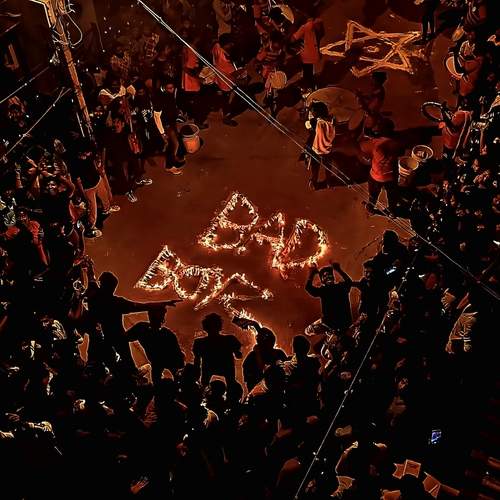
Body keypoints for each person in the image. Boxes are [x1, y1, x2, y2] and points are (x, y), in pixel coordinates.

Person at [86, 270, 179, 375]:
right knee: (126, 361)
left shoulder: (94, 297)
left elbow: (91, 280)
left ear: (101, 283)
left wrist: (89, 269)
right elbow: (140, 306)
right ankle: (132, 373)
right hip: (117, 337)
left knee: (99, 360)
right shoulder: (116, 303)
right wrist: (162, 303)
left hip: (100, 337)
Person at [70, 138, 119, 238]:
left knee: (105, 198)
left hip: (97, 181)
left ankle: (107, 209)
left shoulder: (90, 155)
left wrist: (99, 172)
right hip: (88, 188)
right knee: (93, 210)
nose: (89, 153)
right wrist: (83, 194)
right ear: (82, 151)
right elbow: (78, 181)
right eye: (88, 152)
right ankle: (90, 228)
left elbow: (95, 162)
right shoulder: (75, 163)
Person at [126, 306, 184, 384]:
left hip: (161, 362)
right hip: (163, 362)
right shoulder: (166, 334)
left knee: (158, 377)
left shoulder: (142, 329)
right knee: (162, 376)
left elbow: (123, 338)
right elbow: (124, 338)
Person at [103, 114, 152, 203]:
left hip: (128, 154)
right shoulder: (111, 135)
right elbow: (107, 149)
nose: (116, 124)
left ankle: (139, 179)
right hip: (119, 158)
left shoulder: (126, 132)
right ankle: (128, 191)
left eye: (118, 122)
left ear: (122, 124)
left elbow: (133, 142)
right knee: (124, 170)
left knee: (138, 161)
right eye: (114, 122)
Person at [360, 119, 401, 215]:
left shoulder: (375, 143)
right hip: (392, 175)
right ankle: (392, 211)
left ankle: (371, 208)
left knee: (373, 194)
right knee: (392, 195)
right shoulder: (396, 143)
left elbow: (363, 151)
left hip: (376, 175)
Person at [192, 312, 242, 386]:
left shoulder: (199, 342)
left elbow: (197, 361)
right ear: (219, 326)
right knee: (231, 383)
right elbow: (238, 355)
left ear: (205, 327)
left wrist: (196, 376)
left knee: (204, 385)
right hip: (227, 369)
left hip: (208, 369)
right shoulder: (230, 339)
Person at [305, 261, 353, 336]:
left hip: (332, 324)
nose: (328, 277)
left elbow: (308, 287)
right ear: (322, 280)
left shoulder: (325, 290)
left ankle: (331, 333)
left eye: (329, 275)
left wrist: (312, 274)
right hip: (345, 322)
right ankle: (331, 333)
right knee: (309, 330)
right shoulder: (341, 286)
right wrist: (339, 270)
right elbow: (349, 282)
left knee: (308, 331)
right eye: (325, 276)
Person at [152, 76, 185, 173]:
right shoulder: (159, 98)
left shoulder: (169, 94)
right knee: (174, 144)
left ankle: (174, 159)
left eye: (172, 87)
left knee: (174, 143)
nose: (172, 90)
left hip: (171, 122)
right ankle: (169, 165)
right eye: (169, 88)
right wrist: (162, 133)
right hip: (166, 124)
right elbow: (156, 117)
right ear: (164, 87)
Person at [291, 8, 324, 91]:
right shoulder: (319, 24)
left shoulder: (305, 27)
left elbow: (293, 39)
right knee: (309, 71)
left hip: (306, 56)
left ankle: (309, 87)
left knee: (307, 72)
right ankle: (311, 86)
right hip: (314, 53)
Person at [305, 101, 336, 190]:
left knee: (315, 167)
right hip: (328, 149)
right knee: (328, 167)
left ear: (317, 113)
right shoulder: (331, 120)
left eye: (313, 111)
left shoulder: (314, 122)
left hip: (317, 149)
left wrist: (308, 109)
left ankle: (314, 182)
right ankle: (329, 182)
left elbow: (307, 124)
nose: (312, 113)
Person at [212, 33, 240, 126]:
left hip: (218, 77)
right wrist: (242, 72)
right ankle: (226, 117)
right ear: (225, 45)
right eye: (230, 43)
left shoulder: (216, 46)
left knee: (220, 95)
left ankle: (217, 106)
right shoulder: (226, 61)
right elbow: (234, 74)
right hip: (226, 84)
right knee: (226, 100)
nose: (232, 44)